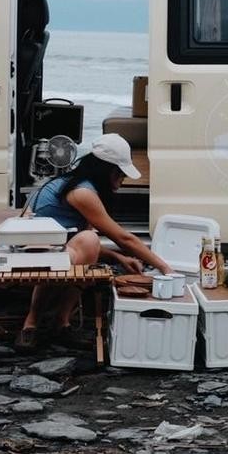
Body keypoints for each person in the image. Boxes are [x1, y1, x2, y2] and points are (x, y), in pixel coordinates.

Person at [16, 133, 174, 351]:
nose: (121, 181)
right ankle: (33, 323)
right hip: (35, 253)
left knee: (87, 241)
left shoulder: (75, 183)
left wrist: (119, 258)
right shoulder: (82, 192)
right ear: (106, 170)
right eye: (120, 175)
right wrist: (165, 268)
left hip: (45, 249)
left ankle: (59, 323)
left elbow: (74, 242)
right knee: (90, 239)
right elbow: (122, 237)